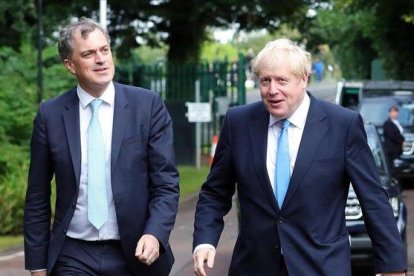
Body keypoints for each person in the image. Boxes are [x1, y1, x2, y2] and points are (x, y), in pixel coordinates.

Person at [192, 38, 406, 276]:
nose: (273, 90)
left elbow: (373, 198)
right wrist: (204, 241)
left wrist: (393, 266)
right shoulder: (238, 123)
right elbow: (214, 192)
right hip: (254, 266)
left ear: (304, 78)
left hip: (321, 266)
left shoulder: (342, 125)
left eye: (282, 80)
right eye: (265, 81)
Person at [24, 17, 179, 276]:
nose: (100, 59)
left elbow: (166, 182)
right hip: (72, 254)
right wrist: (37, 266)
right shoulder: (50, 115)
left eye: (104, 50)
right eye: (88, 53)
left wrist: (155, 234)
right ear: (70, 65)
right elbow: (37, 197)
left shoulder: (147, 106)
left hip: (136, 252)